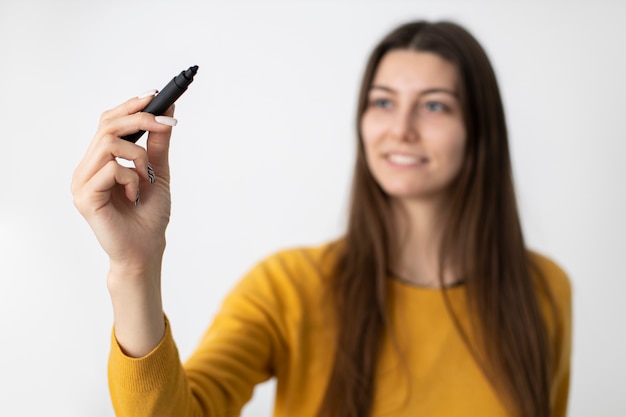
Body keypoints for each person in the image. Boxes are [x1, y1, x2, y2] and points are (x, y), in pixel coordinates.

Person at [71, 20, 571, 417]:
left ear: (480, 130)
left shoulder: (544, 291)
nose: (401, 129)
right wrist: (135, 269)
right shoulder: (288, 289)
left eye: (434, 106)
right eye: (383, 102)